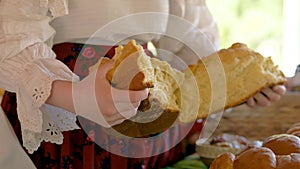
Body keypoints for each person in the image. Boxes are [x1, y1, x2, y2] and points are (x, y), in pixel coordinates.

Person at [0, 0, 286, 169]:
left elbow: (188, 41)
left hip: (147, 115)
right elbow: (12, 36)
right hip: (63, 113)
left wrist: (236, 86)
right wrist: (76, 96)